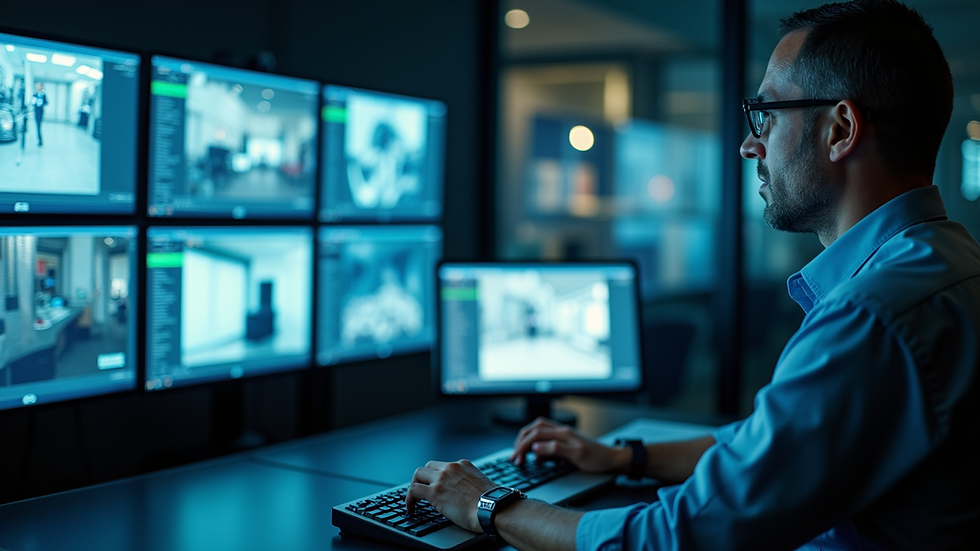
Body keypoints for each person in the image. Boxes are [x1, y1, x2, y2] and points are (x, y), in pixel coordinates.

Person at [403, 1, 980, 549]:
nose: (749, 144)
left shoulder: (871, 316)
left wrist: (490, 505)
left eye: (766, 115)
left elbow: (680, 538)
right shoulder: (948, 267)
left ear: (840, 129)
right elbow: (769, 446)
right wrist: (626, 456)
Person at [30, 82, 47, 147]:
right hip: (36, 112)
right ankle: (39, 140)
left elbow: (46, 102)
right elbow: (32, 102)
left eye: (39, 86)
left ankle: (39, 140)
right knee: (38, 126)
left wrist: (41, 104)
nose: (37, 87)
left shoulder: (43, 94)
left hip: (40, 112)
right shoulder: (35, 94)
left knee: (38, 126)